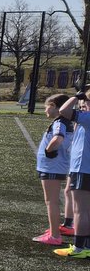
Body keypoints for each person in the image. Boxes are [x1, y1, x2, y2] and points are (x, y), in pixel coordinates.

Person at [32, 94, 72, 246]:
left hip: (52, 166)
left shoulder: (60, 122)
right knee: (52, 201)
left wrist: (49, 151)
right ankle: (53, 229)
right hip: (56, 165)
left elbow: (58, 138)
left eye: (46, 107)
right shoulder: (66, 121)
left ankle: (55, 236)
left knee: (51, 201)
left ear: (55, 106)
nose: (45, 111)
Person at [55, 89, 90, 259]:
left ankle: (79, 247)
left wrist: (76, 96)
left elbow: (63, 111)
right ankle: (87, 245)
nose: (83, 104)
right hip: (84, 168)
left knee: (80, 211)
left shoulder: (88, 118)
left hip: (84, 168)